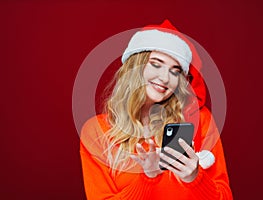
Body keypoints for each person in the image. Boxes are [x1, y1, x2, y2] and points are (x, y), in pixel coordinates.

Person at [79, 19, 233, 199]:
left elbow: (224, 196)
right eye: (156, 63)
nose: (165, 78)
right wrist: (147, 178)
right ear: (134, 67)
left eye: (175, 71)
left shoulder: (200, 121)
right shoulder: (97, 131)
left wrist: (195, 178)